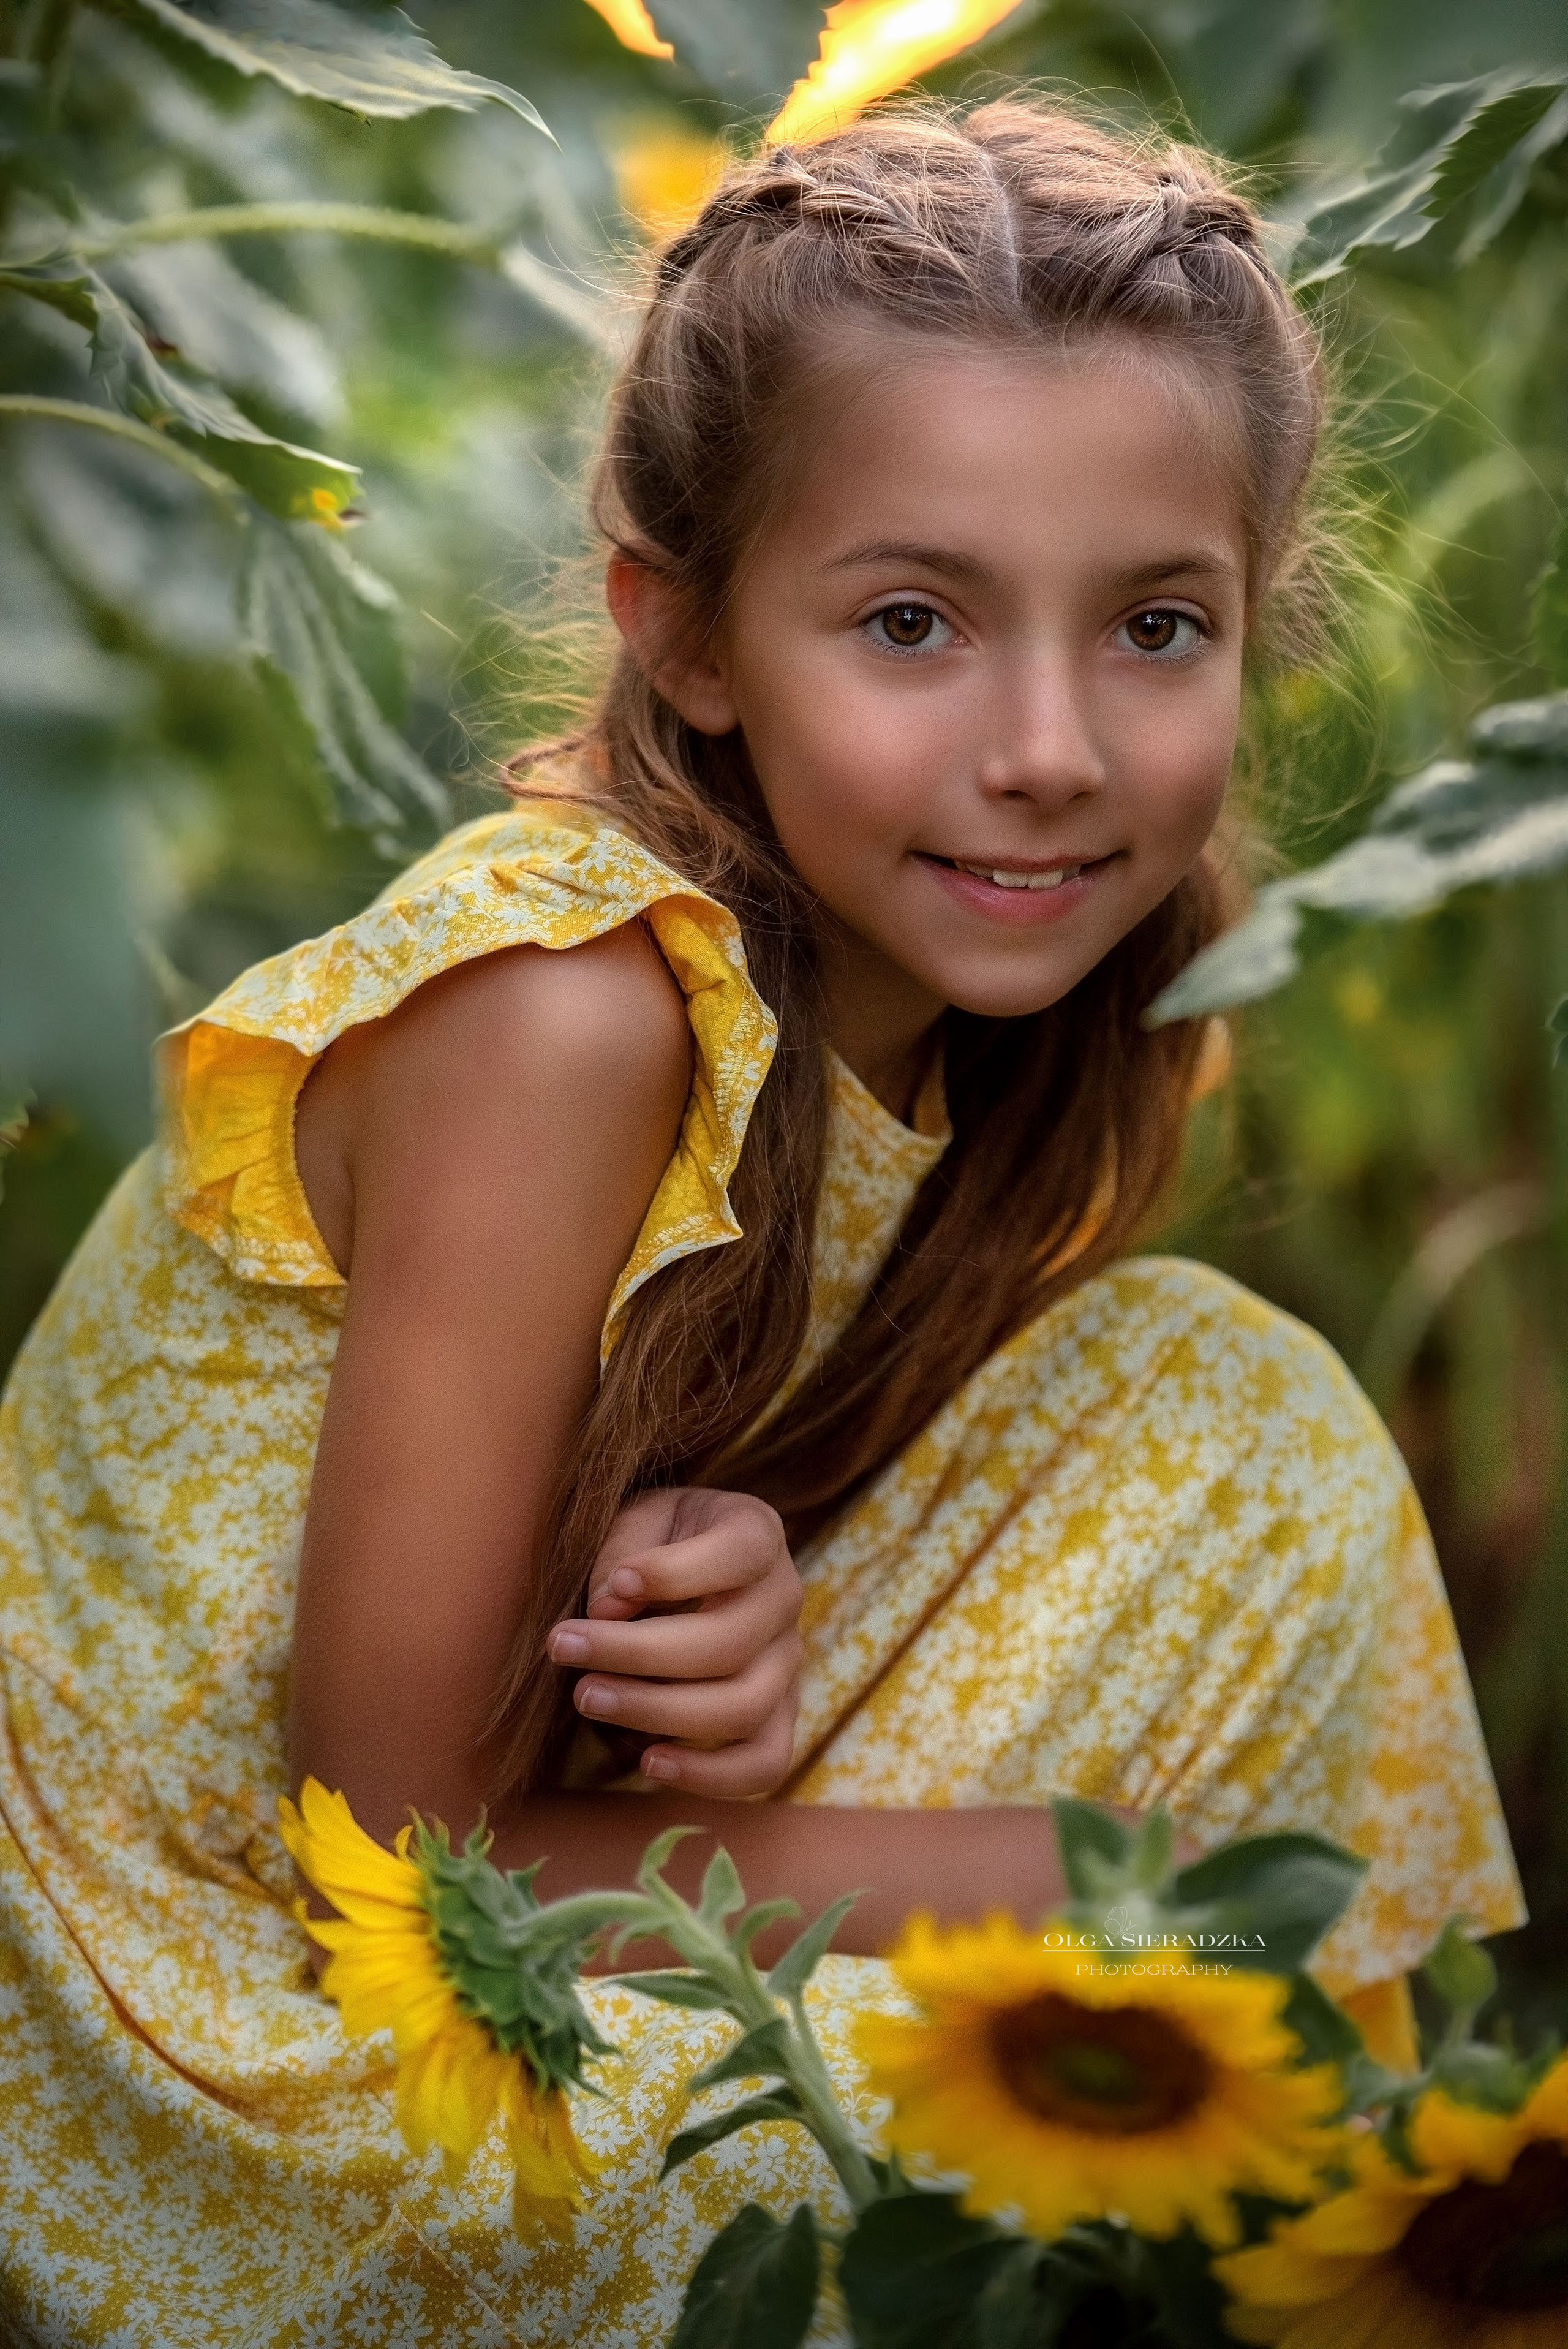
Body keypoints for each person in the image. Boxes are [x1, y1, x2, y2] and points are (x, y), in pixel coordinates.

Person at [0, 96, 1523, 2349]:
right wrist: (1064, 1897)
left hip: (446, 1896)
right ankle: (1306, 2177)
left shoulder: (962, 1015)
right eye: (912, 620)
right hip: (202, 2030)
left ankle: (1395, 2239)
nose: (1050, 748)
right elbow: (397, 1889)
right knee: (914, 2139)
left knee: (1242, 1424)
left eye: (1155, 628)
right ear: (686, 633)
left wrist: (728, 1617)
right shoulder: (568, 1006)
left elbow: (611, 1571)